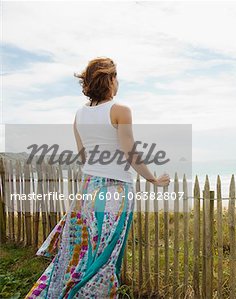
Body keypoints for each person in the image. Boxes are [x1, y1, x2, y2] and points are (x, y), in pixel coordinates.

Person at [25, 57, 170, 298]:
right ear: (111, 80)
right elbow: (130, 153)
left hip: (87, 190)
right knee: (105, 257)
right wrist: (153, 179)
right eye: (116, 77)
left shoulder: (79, 115)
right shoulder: (120, 110)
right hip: (115, 192)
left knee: (77, 256)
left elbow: (85, 157)